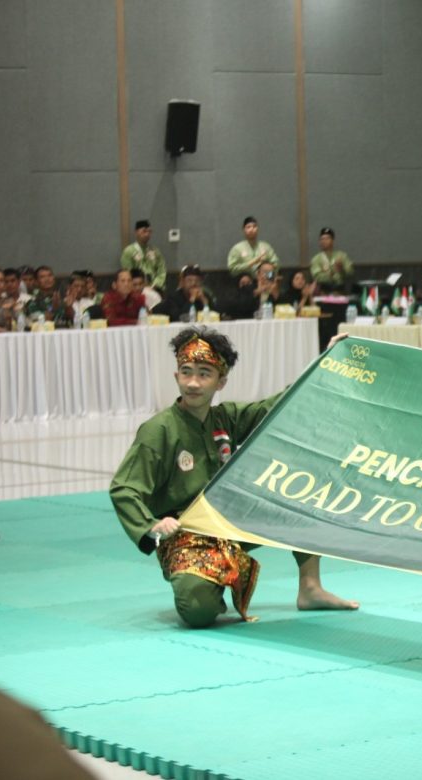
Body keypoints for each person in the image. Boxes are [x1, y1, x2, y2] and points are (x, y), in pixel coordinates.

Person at [109, 327, 358, 628]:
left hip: (228, 522)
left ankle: (310, 589)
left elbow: (277, 406)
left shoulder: (225, 418)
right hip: (186, 536)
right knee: (198, 611)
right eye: (186, 372)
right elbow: (124, 488)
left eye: (204, 374)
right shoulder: (158, 431)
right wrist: (152, 525)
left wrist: (324, 363)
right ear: (176, 377)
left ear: (220, 382)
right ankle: (212, 579)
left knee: (301, 499)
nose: (193, 383)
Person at [120, 219, 167, 291]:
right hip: (136, 288)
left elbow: (162, 270)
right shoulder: (129, 251)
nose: (147, 234)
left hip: (155, 288)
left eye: (149, 231)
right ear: (136, 232)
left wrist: (156, 285)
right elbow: (127, 273)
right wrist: (140, 285)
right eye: (144, 231)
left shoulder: (155, 251)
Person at [227, 216, 280, 280]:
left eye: (254, 226)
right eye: (248, 227)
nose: (252, 229)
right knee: (245, 281)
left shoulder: (266, 247)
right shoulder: (237, 248)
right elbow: (232, 269)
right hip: (245, 278)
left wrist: (267, 275)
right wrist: (251, 263)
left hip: (265, 278)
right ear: (244, 230)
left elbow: (276, 264)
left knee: (273, 280)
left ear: (257, 229)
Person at [309, 227, 355, 292]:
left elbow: (351, 273)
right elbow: (317, 277)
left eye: (327, 238)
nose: (324, 241)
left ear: (333, 241)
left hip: (340, 290)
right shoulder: (316, 259)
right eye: (322, 239)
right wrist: (333, 272)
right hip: (323, 291)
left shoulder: (342, 256)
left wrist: (342, 269)